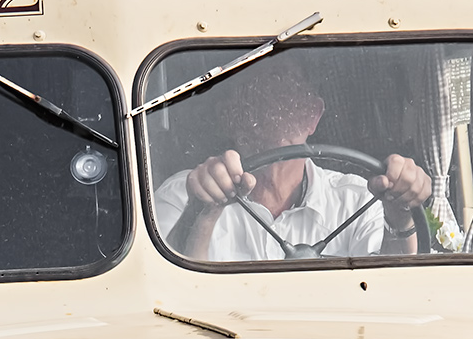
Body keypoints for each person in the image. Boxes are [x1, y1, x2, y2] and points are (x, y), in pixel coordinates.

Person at [152, 63, 432, 262]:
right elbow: (162, 292)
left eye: (285, 94)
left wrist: (399, 216)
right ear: (229, 116)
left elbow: (388, 295)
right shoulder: (186, 194)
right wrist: (203, 212)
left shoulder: (357, 200)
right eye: (251, 97)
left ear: (313, 114)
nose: (270, 112)